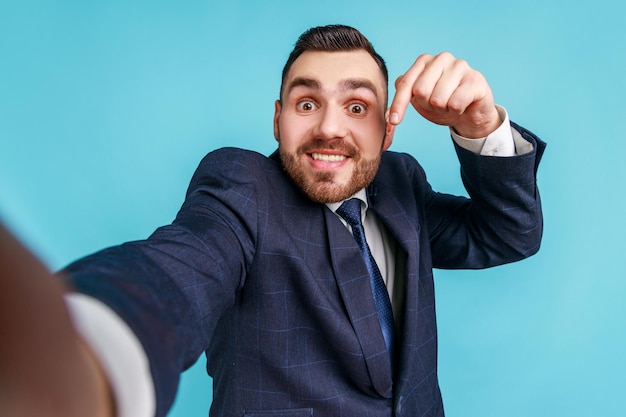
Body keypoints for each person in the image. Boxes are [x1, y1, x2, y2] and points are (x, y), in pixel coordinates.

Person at [0, 24, 545, 417]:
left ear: (388, 129)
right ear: (278, 118)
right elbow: (183, 265)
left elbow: (507, 234)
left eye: (357, 107)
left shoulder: (402, 183)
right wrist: (86, 352)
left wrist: (480, 126)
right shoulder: (242, 188)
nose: (330, 128)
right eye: (307, 103)